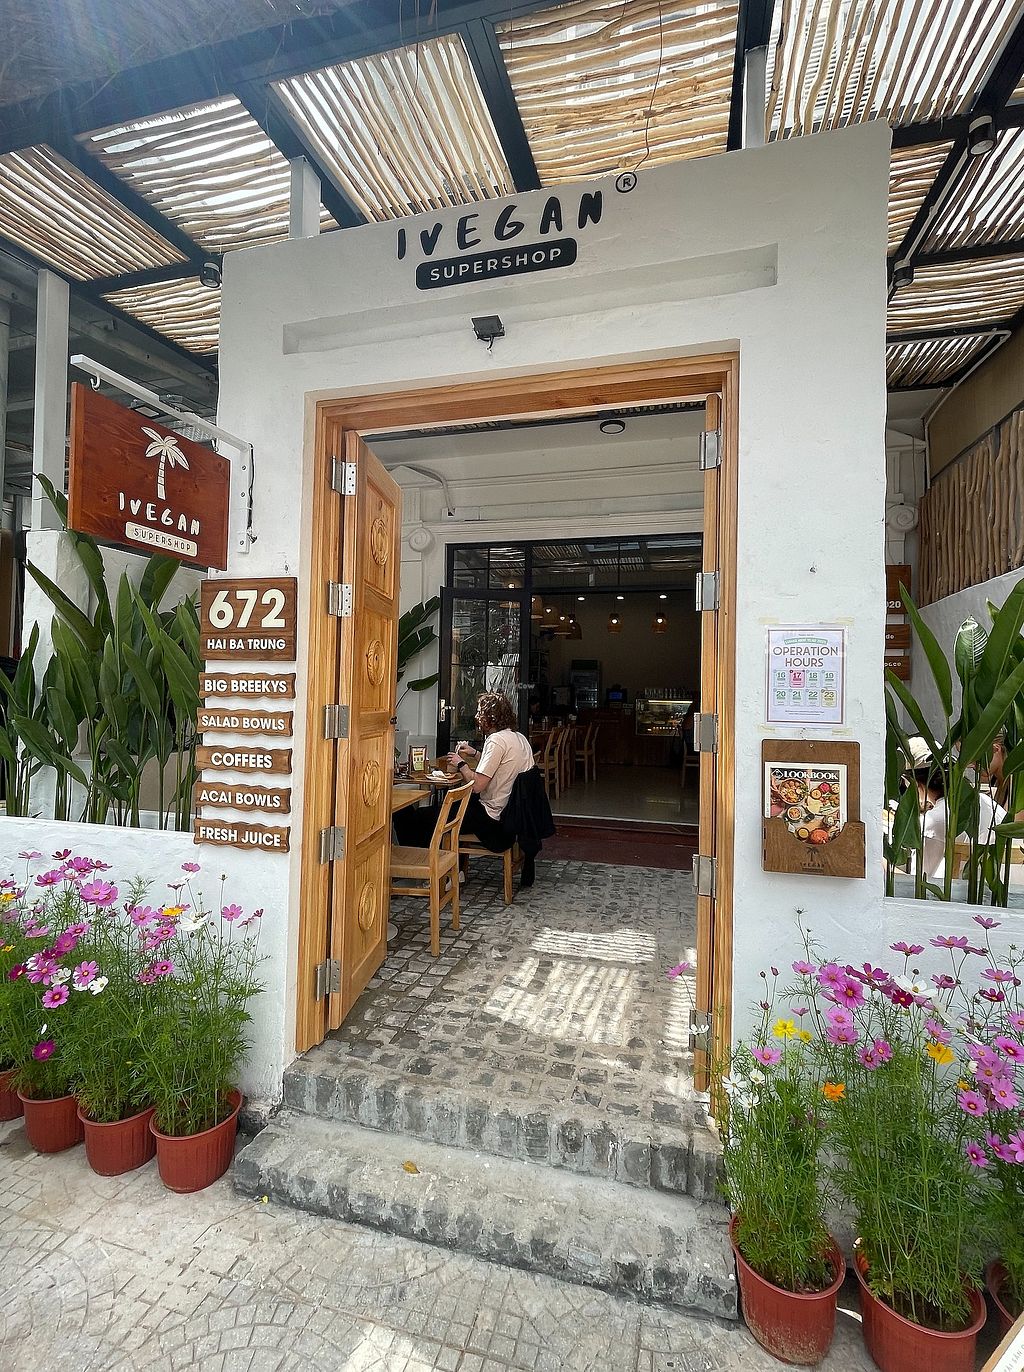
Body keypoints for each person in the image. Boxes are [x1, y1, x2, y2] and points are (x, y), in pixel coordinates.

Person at [393, 692, 551, 885]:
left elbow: (476, 786)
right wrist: (475, 753)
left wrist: (460, 763)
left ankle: (424, 870)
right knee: (440, 812)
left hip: (490, 819)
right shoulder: (519, 738)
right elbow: (500, 765)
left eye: (479, 713)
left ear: (490, 717)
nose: (477, 717)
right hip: (508, 814)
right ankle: (454, 870)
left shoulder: (496, 740)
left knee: (420, 817)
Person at [904, 736, 1005, 881]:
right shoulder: (988, 803)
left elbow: (918, 884)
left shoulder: (931, 823)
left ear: (915, 784)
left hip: (958, 892)